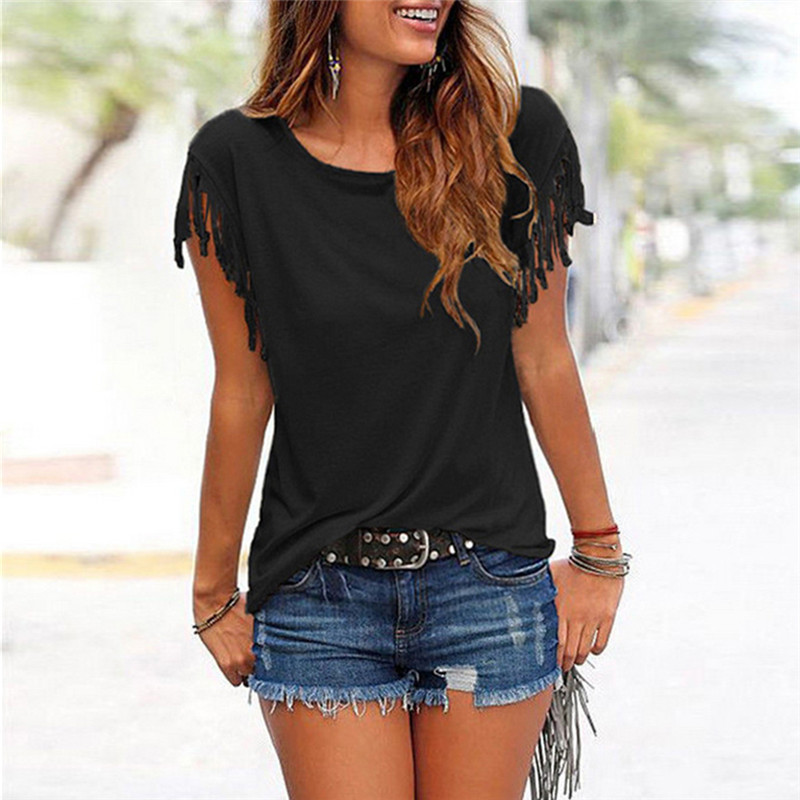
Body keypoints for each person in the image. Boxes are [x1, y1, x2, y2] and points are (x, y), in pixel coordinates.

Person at [173, 1, 630, 798]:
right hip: (318, 600)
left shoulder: (514, 136)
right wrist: (213, 591)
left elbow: (544, 357)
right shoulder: (235, 160)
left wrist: (599, 549)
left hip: (485, 589)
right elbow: (243, 390)